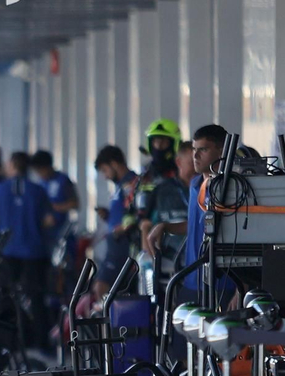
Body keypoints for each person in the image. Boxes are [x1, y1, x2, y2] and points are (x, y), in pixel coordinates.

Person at [142, 124, 235, 307]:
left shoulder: (232, 189)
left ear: (222, 151)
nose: (196, 155)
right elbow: (195, 224)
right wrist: (165, 227)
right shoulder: (195, 184)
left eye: (204, 149)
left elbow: (248, 239)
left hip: (222, 284)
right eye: (194, 149)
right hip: (192, 279)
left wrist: (242, 289)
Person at [0, 151, 53, 343]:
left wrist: (6, 220)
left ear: (12, 165)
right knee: (37, 297)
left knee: (6, 296)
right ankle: (41, 341)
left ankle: (10, 340)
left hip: (8, 251)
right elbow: (49, 219)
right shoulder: (38, 190)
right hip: (34, 251)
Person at [134, 120, 189, 290]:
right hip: (159, 252)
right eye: (155, 142)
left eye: (164, 142)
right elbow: (143, 220)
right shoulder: (146, 178)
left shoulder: (187, 177)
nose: (159, 146)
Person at [91, 145, 139, 299]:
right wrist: (108, 215)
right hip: (114, 247)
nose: (105, 176)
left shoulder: (133, 183)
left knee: (101, 287)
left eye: (105, 170)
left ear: (114, 164)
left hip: (122, 247)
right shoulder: (119, 187)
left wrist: (124, 228)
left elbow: (139, 213)